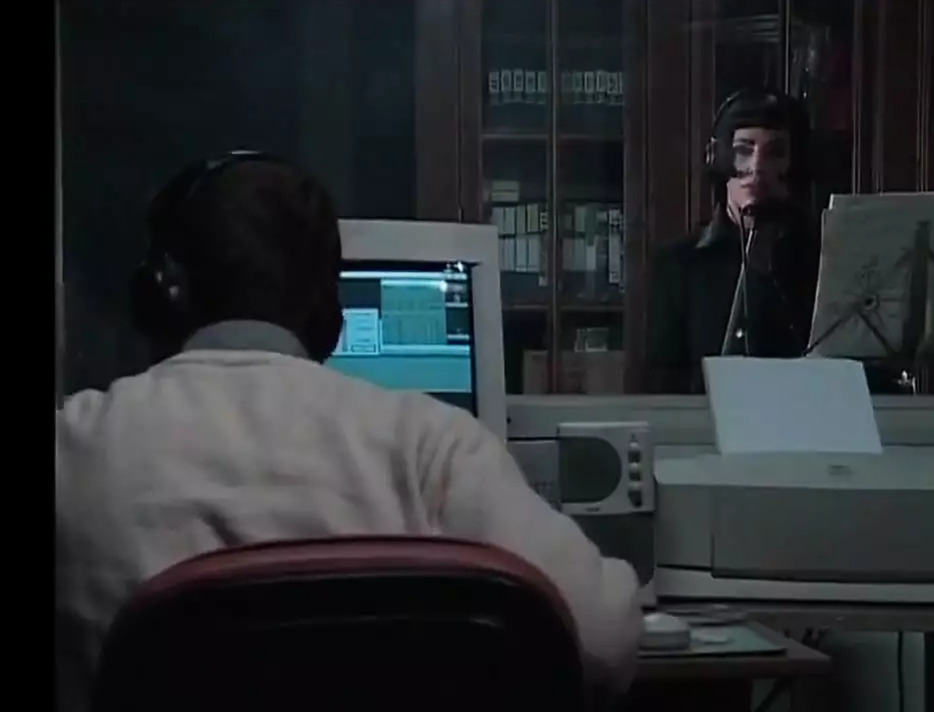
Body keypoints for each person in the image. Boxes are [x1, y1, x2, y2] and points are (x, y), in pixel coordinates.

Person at [55, 152, 643, 710]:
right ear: (329, 320)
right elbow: (603, 640)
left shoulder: (72, 445)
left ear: (159, 294)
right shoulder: (430, 446)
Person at [645, 87, 820, 393]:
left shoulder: (824, 260)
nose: (757, 167)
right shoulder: (677, 265)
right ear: (719, 159)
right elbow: (662, 388)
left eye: (775, 152)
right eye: (743, 150)